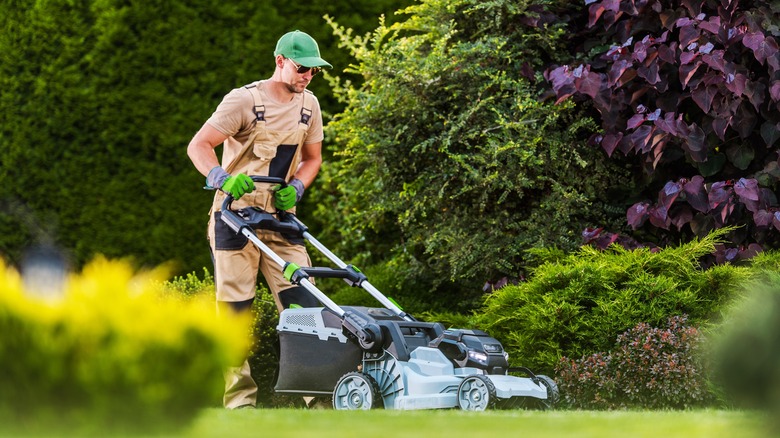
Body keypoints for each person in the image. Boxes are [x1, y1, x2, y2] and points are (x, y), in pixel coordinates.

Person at [186, 30, 331, 409]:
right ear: (280, 60)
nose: (307, 77)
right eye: (302, 69)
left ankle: (315, 398)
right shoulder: (244, 101)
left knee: (304, 305)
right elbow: (198, 145)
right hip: (234, 216)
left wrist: (297, 188)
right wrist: (221, 178)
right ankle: (240, 403)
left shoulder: (309, 106)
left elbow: (312, 158)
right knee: (235, 311)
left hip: (280, 218)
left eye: (314, 72)